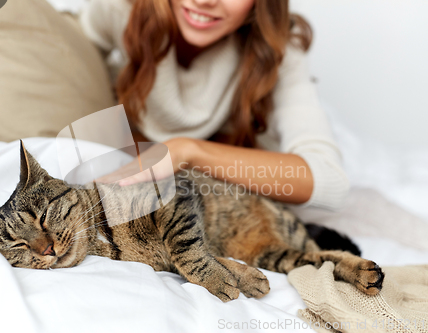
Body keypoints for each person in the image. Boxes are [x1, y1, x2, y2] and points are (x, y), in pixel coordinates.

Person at [79, 0, 349, 210]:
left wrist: (186, 150)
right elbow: (65, 71)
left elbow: (330, 182)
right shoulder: (120, 9)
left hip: (225, 183)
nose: (205, 1)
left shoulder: (280, 49)